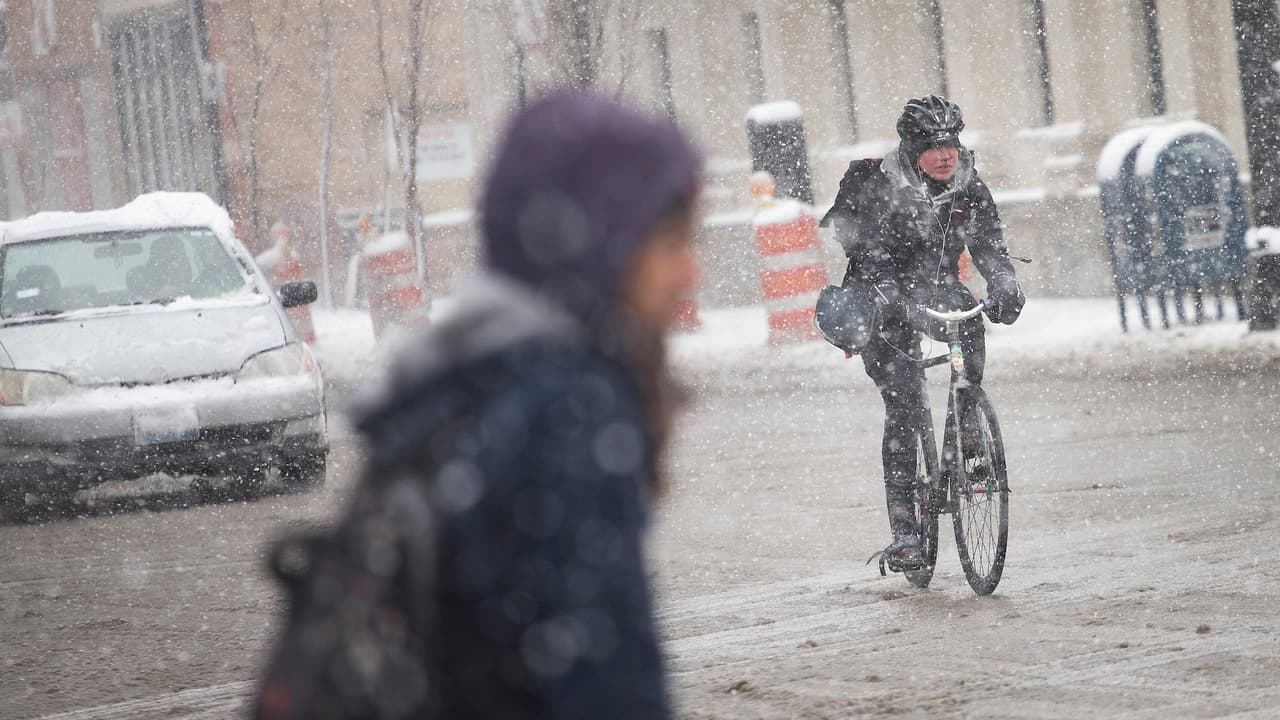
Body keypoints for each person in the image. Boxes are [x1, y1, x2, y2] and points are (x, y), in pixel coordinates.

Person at [255, 90, 701, 720]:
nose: (691, 274)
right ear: (601, 245)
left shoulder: (456, 379)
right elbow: (609, 684)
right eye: (670, 244)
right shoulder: (568, 410)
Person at [819, 94, 1025, 571]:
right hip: (882, 296)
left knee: (968, 328)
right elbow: (863, 246)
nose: (945, 154)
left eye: (951, 143)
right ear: (913, 150)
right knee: (905, 405)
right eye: (933, 146)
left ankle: (967, 428)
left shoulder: (968, 185)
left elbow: (988, 243)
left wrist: (1004, 280)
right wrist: (888, 289)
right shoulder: (879, 183)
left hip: (936, 288)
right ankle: (905, 531)